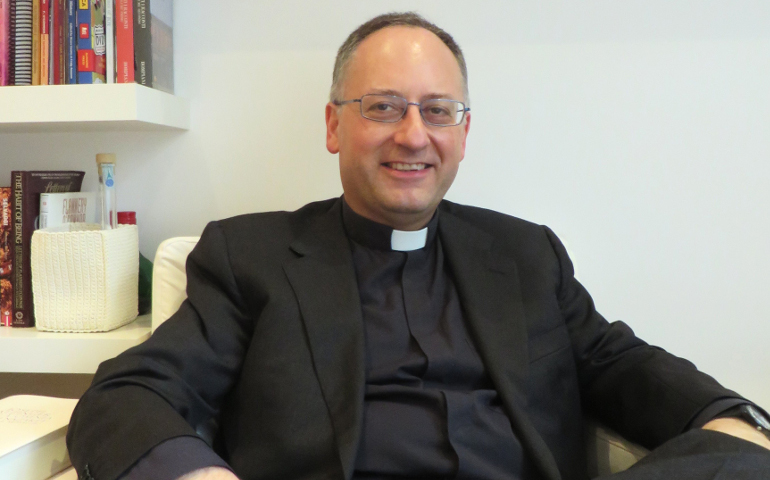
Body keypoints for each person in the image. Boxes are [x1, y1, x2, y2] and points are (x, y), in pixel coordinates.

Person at [67, 12, 770, 480]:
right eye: (382, 106)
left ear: (464, 133)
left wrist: (727, 422)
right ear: (334, 126)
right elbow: (128, 395)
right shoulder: (251, 256)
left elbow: (625, 366)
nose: (413, 134)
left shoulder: (526, 257)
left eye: (438, 111)